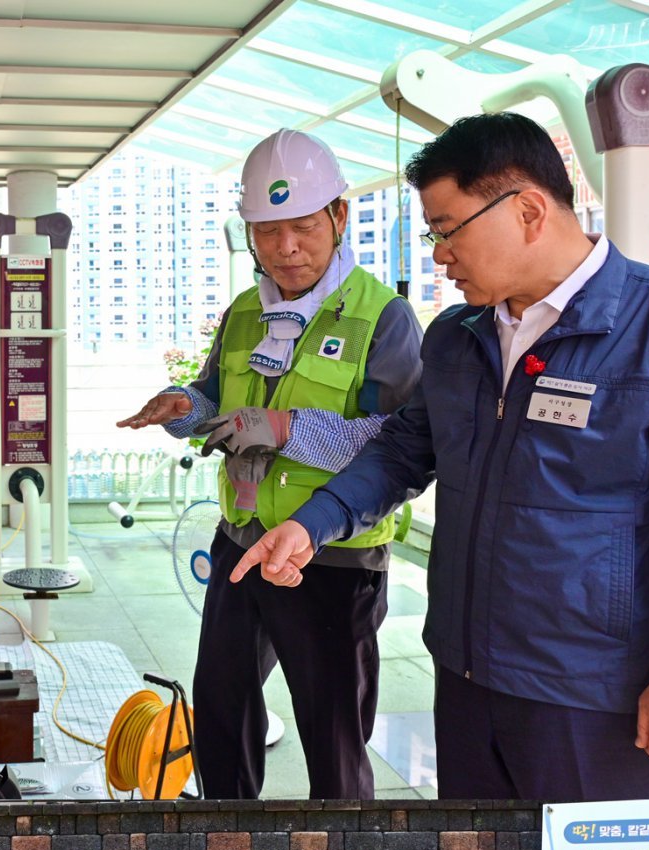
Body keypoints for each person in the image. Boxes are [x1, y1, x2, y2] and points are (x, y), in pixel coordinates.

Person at [230, 112, 649, 802]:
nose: (438, 255)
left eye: (447, 230)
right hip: (468, 683)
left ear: (527, 210)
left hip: (600, 701)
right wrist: (315, 521)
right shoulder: (459, 338)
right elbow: (405, 448)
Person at [119, 130, 423, 799]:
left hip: (332, 559)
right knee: (220, 712)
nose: (286, 248)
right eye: (267, 230)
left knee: (333, 737)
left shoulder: (386, 319)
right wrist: (184, 406)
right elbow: (215, 401)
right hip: (241, 541)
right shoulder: (245, 314)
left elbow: (396, 445)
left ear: (340, 217)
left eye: (304, 227)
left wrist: (283, 429)